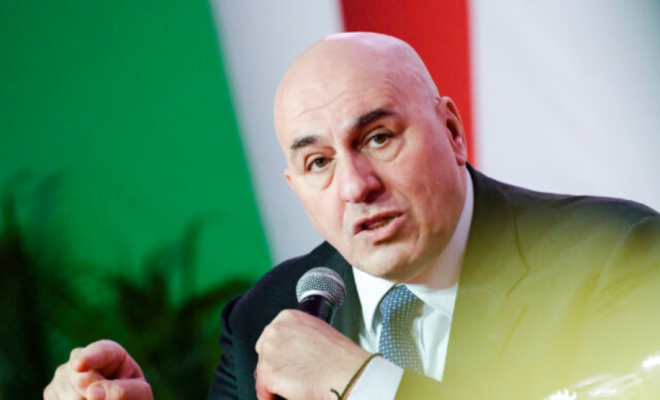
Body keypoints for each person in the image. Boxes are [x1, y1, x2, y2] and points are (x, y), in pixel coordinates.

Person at [44, 32, 660, 400]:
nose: (356, 186)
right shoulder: (266, 314)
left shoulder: (615, 255)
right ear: (295, 186)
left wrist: (367, 384)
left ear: (451, 130)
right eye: (318, 162)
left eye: (378, 138)